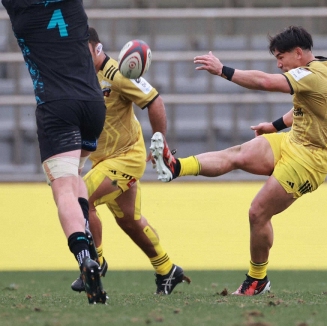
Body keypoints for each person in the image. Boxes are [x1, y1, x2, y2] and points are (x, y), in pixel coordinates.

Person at [150, 26, 327, 296]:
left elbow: (265, 82)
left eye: (281, 57)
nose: (278, 64)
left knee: (258, 213)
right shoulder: (322, 69)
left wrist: (223, 70)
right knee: (238, 154)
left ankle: (257, 279)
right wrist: (275, 126)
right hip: (293, 141)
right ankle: (175, 166)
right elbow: (305, 105)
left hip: (310, 160)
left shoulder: (312, 75)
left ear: (298, 53)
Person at [70, 27, 190, 295]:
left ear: (97, 49)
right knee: (130, 221)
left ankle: (95, 263)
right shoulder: (81, 76)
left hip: (126, 158)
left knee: (82, 198)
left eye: (83, 50)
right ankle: (167, 269)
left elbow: (154, 100)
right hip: (103, 162)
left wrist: (159, 140)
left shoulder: (118, 74)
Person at [2, 0, 107, 304]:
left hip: (57, 107)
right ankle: (94, 253)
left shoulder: (20, 10)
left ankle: (85, 258)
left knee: (63, 191)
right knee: (76, 178)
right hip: (93, 104)